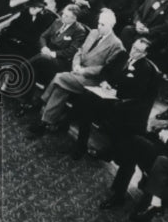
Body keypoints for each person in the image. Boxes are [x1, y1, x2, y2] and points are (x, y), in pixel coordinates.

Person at [30, 8, 124, 136]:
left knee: (60, 77)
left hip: (91, 79)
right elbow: (80, 51)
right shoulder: (94, 33)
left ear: (111, 26)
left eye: (103, 25)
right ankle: (46, 122)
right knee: (62, 86)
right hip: (77, 70)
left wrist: (84, 71)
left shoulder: (116, 44)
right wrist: (76, 64)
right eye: (99, 23)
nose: (99, 26)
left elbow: (106, 68)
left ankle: (41, 101)